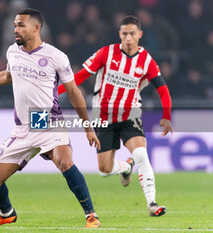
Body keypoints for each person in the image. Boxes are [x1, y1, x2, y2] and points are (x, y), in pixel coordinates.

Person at [0, 8, 101, 228]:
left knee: (65, 162)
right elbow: (8, 76)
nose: (15, 29)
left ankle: (91, 215)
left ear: (36, 28)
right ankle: (7, 214)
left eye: (21, 25)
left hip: (48, 122)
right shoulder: (12, 52)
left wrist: (87, 127)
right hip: (23, 128)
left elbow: (74, 92)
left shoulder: (56, 56)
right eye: (15, 25)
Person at [58, 15, 173, 217]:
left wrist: (166, 115)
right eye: (125, 33)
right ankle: (125, 167)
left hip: (130, 115)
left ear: (140, 35)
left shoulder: (146, 60)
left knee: (141, 155)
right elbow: (80, 76)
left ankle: (152, 204)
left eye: (132, 33)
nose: (128, 38)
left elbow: (162, 89)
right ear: (120, 34)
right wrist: (55, 92)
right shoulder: (106, 53)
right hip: (103, 116)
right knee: (104, 170)